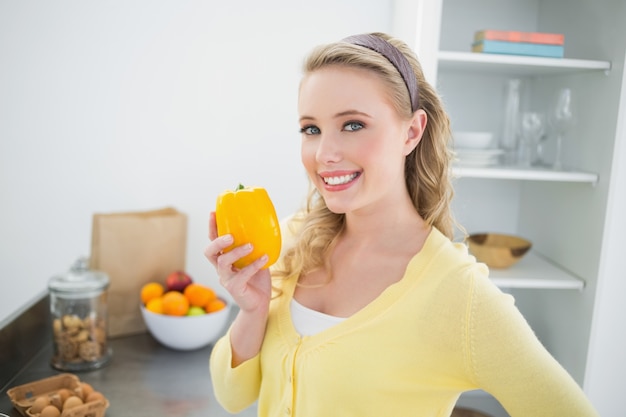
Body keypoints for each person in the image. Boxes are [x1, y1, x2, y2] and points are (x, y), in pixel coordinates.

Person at [204, 32, 598, 417]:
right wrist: (253, 311)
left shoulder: (458, 295)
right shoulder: (290, 239)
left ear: (411, 131)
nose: (324, 153)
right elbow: (232, 396)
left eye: (353, 125)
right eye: (311, 129)